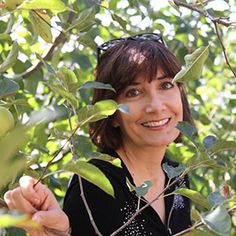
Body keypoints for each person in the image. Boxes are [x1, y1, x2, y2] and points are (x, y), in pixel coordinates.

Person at [4, 33, 194, 236]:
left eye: (165, 85)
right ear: (110, 113)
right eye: (133, 92)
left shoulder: (177, 176)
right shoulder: (95, 183)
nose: (156, 106)